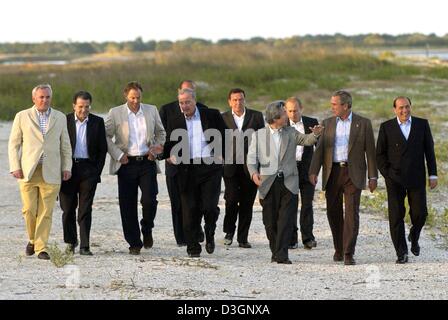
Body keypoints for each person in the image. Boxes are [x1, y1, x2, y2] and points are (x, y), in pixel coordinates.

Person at [247, 101, 323, 264]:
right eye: (284, 113)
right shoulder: (259, 135)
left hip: (289, 183)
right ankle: (276, 250)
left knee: (286, 220)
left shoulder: (291, 131)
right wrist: (254, 174)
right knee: (270, 222)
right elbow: (251, 159)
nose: (287, 116)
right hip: (267, 184)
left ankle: (282, 254)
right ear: (276, 117)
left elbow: (306, 140)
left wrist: (315, 134)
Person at [309, 90, 377, 266]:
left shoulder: (363, 123)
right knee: (334, 212)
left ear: (345, 106)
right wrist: (313, 171)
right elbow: (320, 150)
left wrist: (373, 176)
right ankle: (338, 249)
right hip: (332, 173)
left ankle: (348, 252)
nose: (331, 107)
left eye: (334, 104)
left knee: (351, 214)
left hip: (353, 173)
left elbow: (370, 152)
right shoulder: (327, 123)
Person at [8, 84, 72, 260]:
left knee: (46, 212)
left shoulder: (59, 117)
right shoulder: (22, 116)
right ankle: (32, 239)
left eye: (48, 97)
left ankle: (41, 247)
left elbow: (65, 145)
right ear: (34, 99)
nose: (45, 100)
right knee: (29, 209)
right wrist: (15, 166)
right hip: (28, 171)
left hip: (51, 171)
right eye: (41, 97)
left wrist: (67, 167)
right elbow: (14, 144)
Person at [161, 88, 226, 258]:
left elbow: (226, 134)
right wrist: (162, 154)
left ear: (194, 101)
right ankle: (193, 247)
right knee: (189, 210)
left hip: (210, 167)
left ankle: (209, 232)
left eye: (187, 102)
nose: (184, 106)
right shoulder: (175, 121)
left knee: (209, 208)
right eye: (181, 103)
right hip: (186, 169)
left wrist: (223, 154)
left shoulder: (211, 114)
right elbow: (169, 143)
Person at [105, 81, 166, 255]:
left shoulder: (151, 110)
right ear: (126, 96)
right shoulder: (115, 113)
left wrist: (156, 148)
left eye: (138, 97)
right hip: (126, 163)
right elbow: (106, 136)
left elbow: (161, 133)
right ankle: (134, 242)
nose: (136, 101)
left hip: (147, 161)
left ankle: (147, 228)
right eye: (132, 98)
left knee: (150, 199)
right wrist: (118, 154)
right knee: (127, 204)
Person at [376, 96, 437, 264]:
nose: (405, 111)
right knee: (396, 216)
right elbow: (379, 154)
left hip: (416, 176)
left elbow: (429, 152)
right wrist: (387, 173)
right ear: (394, 109)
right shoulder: (386, 127)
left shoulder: (422, 124)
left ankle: (414, 235)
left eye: (407, 107)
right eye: (401, 108)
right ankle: (401, 252)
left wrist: (433, 174)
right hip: (394, 178)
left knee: (420, 213)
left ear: (411, 107)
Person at [59, 91, 107, 256]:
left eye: (87, 106)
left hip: (88, 170)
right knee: (67, 209)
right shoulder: (63, 121)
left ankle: (85, 245)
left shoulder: (97, 122)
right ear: (74, 106)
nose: (83, 110)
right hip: (67, 169)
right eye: (80, 106)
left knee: (85, 209)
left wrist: (96, 173)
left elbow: (103, 150)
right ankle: (71, 242)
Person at [159, 80, 207, 246]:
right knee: (177, 201)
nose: (186, 95)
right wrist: (166, 156)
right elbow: (161, 135)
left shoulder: (203, 109)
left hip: (198, 165)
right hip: (174, 164)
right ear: (179, 92)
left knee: (198, 201)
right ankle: (181, 237)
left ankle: (195, 228)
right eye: (184, 91)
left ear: (194, 94)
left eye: (190, 91)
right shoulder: (167, 109)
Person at [222, 88, 265, 248]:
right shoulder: (223, 118)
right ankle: (229, 230)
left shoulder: (256, 116)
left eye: (240, 99)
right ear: (229, 102)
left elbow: (263, 140)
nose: (238, 102)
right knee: (231, 199)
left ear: (244, 100)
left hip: (251, 166)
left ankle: (243, 238)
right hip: (230, 166)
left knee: (247, 202)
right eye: (234, 100)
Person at [284, 97, 319, 250]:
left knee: (307, 205)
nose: (293, 114)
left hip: (307, 170)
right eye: (290, 111)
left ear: (301, 108)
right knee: (290, 204)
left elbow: (319, 148)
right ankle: (291, 238)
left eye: (295, 110)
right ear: (286, 111)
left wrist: (316, 170)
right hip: (289, 170)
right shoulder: (281, 124)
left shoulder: (311, 122)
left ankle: (308, 238)